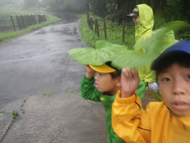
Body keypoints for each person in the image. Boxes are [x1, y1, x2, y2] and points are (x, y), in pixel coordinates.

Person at [112, 40, 190, 142]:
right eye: (166, 79)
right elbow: (131, 129)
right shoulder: (156, 114)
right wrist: (127, 93)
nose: (177, 89)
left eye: (189, 77)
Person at [81, 61, 144, 143]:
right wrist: (89, 73)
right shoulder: (107, 93)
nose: (96, 78)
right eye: (97, 73)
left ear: (118, 81)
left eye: (101, 75)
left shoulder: (131, 109)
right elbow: (87, 94)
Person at [127, 4, 162, 101]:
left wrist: (151, 80)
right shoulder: (140, 36)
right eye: (133, 18)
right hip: (145, 77)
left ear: (144, 17)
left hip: (153, 78)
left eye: (136, 17)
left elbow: (151, 58)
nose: (134, 20)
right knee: (162, 102)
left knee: (166, 100)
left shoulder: (148, 36)